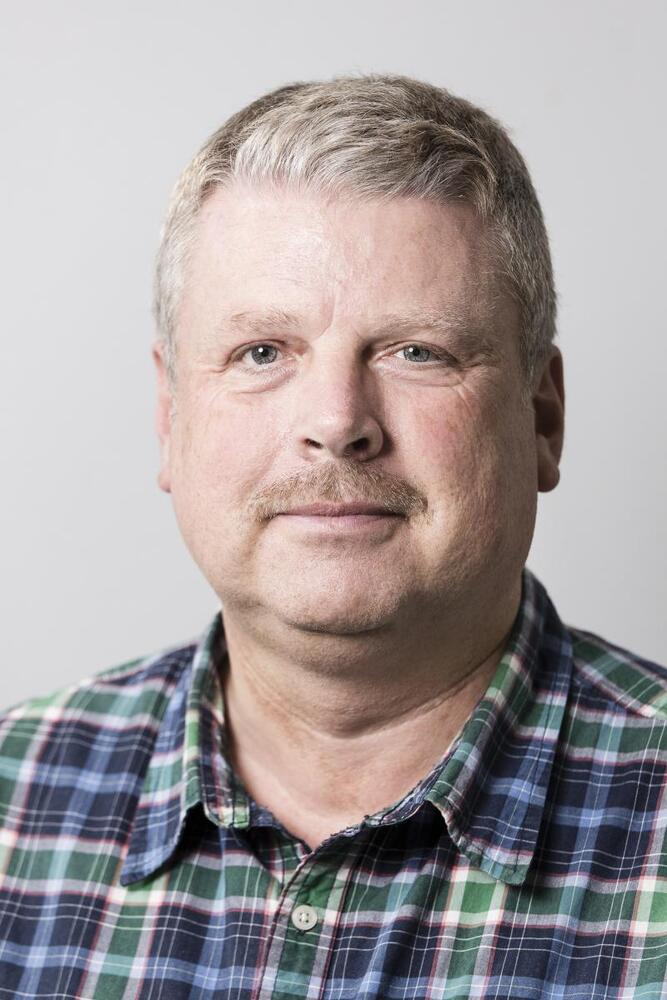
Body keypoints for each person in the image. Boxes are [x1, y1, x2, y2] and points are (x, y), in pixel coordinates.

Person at [0, 73, 665, 1000]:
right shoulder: (13, 795)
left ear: (542, 417)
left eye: (416, 351)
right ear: (169, 417)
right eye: (261, 352)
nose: (336, 422)